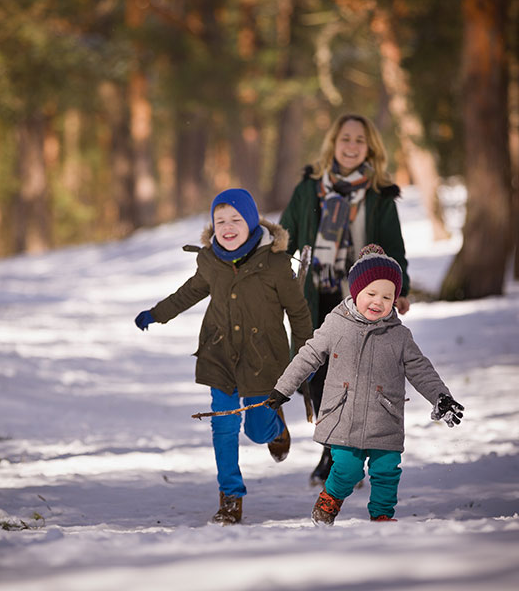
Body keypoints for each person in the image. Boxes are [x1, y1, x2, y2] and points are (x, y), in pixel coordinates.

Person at [134, 188, 313, 525]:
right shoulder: (210, 261)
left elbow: (299, 314)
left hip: (263, 359)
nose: (227, 227)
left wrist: (304, 360)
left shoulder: (275, 264)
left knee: (256, 432)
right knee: (224, 426)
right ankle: (231, 496)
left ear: (251, 222)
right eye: (220, 221)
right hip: (220, 355)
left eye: (236, 220)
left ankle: (275, 428)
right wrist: (157, 313)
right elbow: (188, 293)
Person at [264, 244, 463, 525]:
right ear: (355, 292)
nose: (378, 302)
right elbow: (308, 356)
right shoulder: (336, 325)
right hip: (344, 416)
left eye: (387, 296)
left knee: (387, 471)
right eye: (371, 294)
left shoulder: (399, 336)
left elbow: (421, 369)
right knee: (347, 469)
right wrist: (283, 388)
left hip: (385, 417)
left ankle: (382, 516)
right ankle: (329, 500)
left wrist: (441, 397)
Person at [279, 113, 412, 487]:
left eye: (359, 140)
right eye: (345, 139)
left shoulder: (379, 195)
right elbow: (285, 237)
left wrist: (399, 289)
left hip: (359, 297)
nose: (351, 147)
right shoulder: (309, 189)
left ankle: (337, 456)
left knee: (352, 376)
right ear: (333, 144)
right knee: (316, 372)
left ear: (369, 147)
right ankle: (334, 448)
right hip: (313, 294)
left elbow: (394, 247)